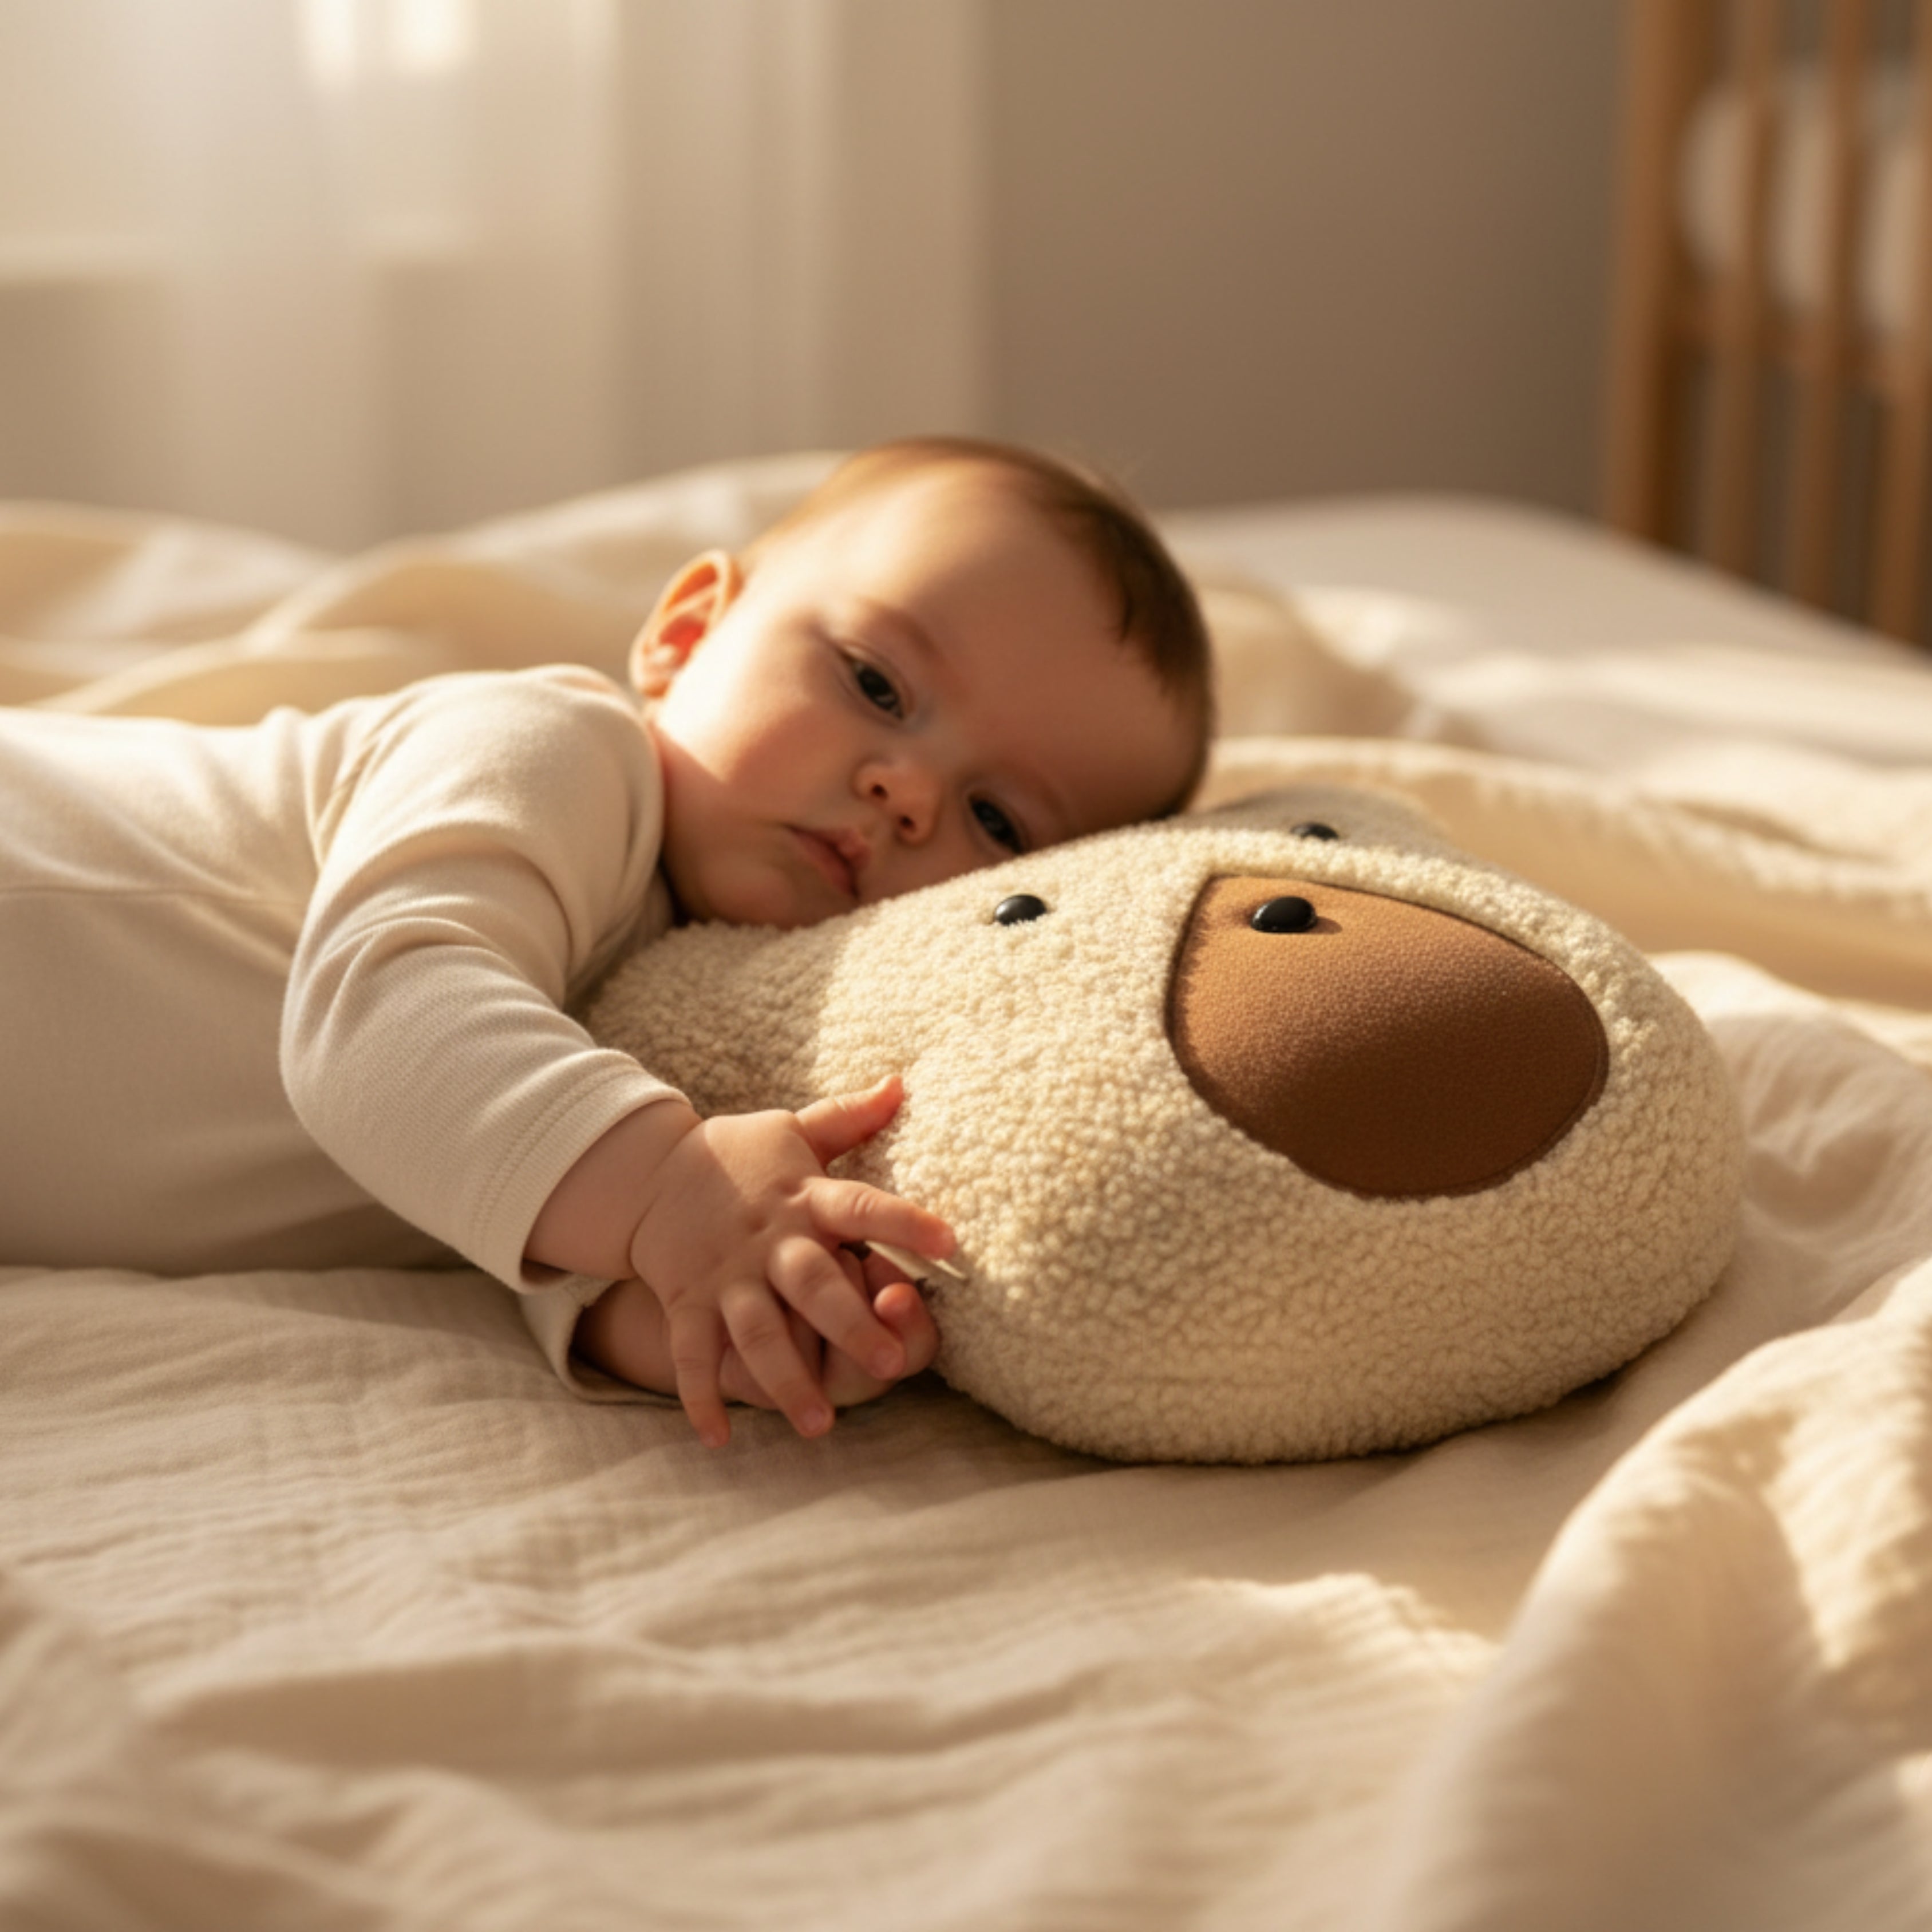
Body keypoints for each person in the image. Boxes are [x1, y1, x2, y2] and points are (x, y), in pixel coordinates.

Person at [0, 437, 1213, 1445]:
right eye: (876, 685)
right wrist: (673, 1197)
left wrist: (714, 1309)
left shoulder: (700, 1026)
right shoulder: (558, 751)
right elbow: (385, 1025)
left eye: (997, 818)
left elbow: (497, 1207)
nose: (906, 790)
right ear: (686, 634)